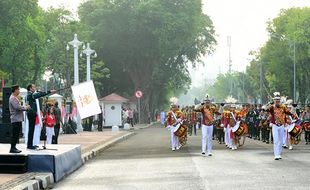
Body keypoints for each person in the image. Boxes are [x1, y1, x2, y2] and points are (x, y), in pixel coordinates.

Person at [26, 84, 56, 149]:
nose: (35, 88)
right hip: (31, 114)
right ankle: (29, 145)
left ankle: (30, 144)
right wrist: (49, 91)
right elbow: (39, 95)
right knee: (31, 130)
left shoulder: (30, 95)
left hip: (31, 114)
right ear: (30, 88)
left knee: (32, 130)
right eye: (34, 87)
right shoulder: (30, 95)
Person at [268, 92, 294, 160]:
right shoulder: (272, 107)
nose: (277, 101)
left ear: (280, 100)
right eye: (276, 100)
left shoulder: (283, 107)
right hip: (275, 125)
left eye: (278, 100)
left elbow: (288, 113)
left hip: (282, 125)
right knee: (276, 140)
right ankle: (276, 155)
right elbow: (269, 111)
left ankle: (279, 154)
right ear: (274, 100)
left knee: (281, 140)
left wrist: (292, 111)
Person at [9, 85, 30, 153]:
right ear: (15, 90)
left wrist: (24, 107)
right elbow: (17, 107)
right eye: (18, 89)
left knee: (16, 134)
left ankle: (14, 147)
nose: (19, 91)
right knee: (15, 134)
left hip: (17, 119)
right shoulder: (13, 98)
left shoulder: (15, 97)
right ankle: (12, 148)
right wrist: (26, 108)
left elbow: (18, 107)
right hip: (15, 119)